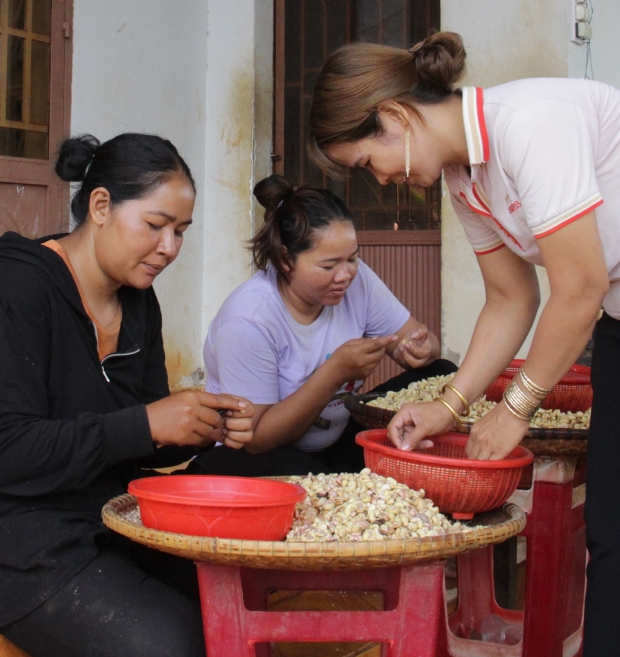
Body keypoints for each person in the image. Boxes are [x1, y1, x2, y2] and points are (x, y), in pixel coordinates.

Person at [306, 32, 620, 656]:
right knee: (616, 529)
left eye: (365, 162)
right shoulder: (464, 175)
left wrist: (515, 409)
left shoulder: (531, 123)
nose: (376, 179)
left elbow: (580, 285)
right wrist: (450, 406)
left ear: (395, 118)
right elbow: (512, 298)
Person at [0, 133, 257, 657]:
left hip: (100, 512)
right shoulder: (13, 292)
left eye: (181, 232)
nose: (170, 248)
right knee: (173, 643)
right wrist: (148, 423)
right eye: (155, 227)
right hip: (4, 535)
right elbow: (0, 454)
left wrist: (201, 427)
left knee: (238, 581)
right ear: (101, 205)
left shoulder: (138, 301)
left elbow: (140, 435)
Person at [191, 175, 453, 477]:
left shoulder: (357, 280)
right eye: (328, 266)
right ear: (286, 260)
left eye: (352, 259)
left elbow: (412, 337)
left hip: (336, 439)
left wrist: (422, 347)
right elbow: (257, 438)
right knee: (296, 470)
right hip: (259, 457)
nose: (345, 275)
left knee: (443, 373)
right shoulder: (249, 320)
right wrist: (335, 372)